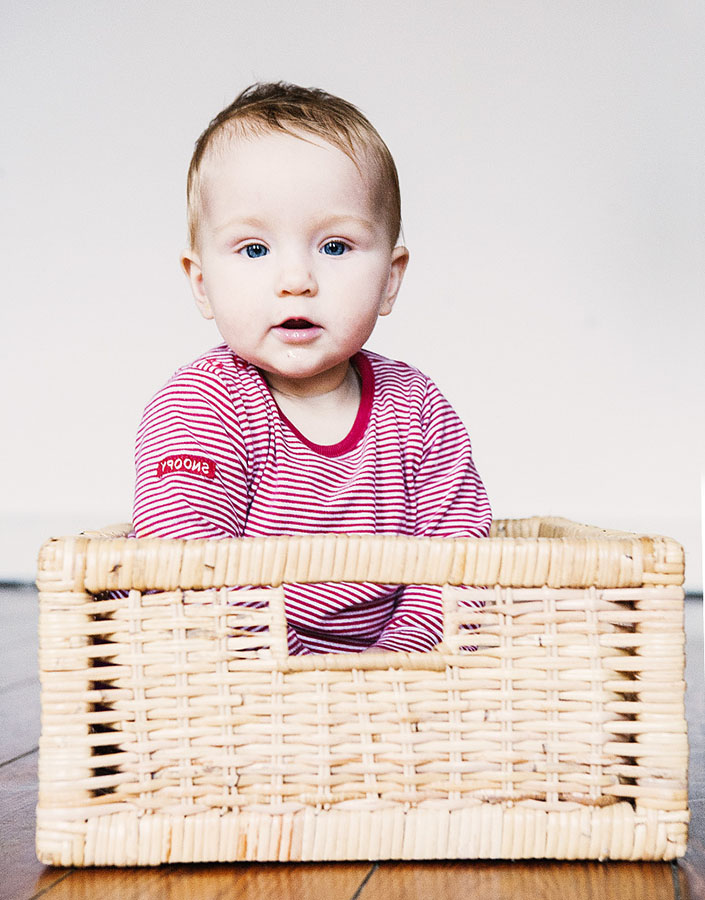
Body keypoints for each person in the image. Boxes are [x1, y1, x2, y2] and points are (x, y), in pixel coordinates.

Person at [133, 82, 491, 654]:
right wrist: (302, 681)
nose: (296, 279)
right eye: (254, 249)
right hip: (240, 683)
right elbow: (185, 575)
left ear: (390, 278)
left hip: (398, 689)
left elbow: (458, 564)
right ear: (202, 285)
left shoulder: (416, 407)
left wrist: (390, 673)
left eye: (334, 247)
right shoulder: (202, 404)